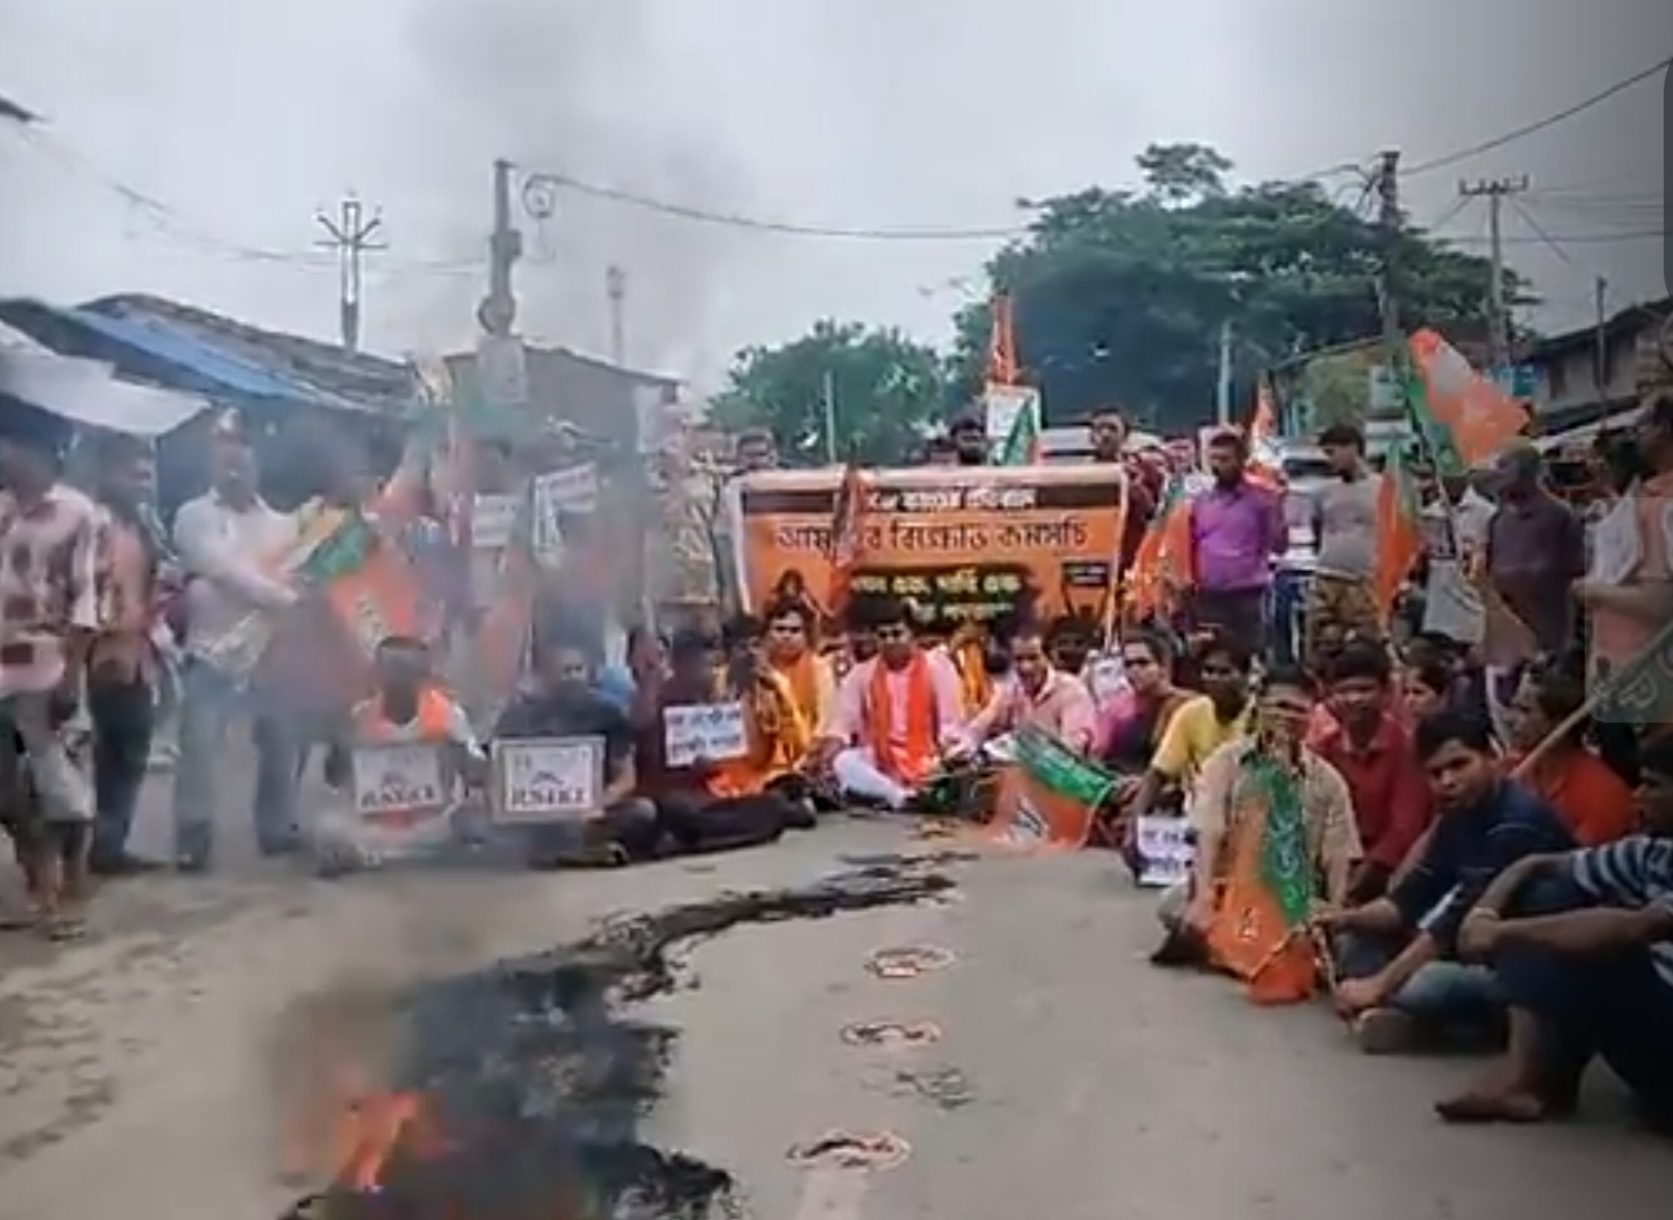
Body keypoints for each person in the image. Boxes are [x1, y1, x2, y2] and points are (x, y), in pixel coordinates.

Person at [1438, 737, 1673, 1127]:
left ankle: (1528, 1076)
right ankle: (1532, 1076)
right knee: (1548, 894)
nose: (1640, 794)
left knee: (1597, 942)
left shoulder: (1517, 812)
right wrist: (1485, 913)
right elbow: (1536, 865)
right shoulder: (1655, 851)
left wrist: (1504, 933)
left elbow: (1635, 927)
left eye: (1654, 785)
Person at [1326, 711, 1575, 1054]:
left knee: (1424, 986)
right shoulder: (1456, 815)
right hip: (1470, 950)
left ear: (1491, 754)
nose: (1447, 781)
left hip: (1527, 963)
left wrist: (1379, 984)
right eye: (1435, 773)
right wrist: (1339, 917)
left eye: (1459, 765)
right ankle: (1398, 1014)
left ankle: (1443, 1025)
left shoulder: (1517, 822)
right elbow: (1407, 901)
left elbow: (1452, 923)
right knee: (1355, 939)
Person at [1160, 664, 1360, 1002]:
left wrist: (1333, 916)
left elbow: (1338, 855)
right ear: (1261, 708)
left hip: (1295, 899)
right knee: (1173, 905)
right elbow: (1209, 832)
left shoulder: (1328, 781)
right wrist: (1205, 895)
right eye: (1280, 706)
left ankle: (1253, 950)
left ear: (1312, 716)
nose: (1288, 717)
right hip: (1233, 891)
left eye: (1299, 710)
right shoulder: (1226, 762)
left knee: (1335, 945)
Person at [170, 414, 303, 870]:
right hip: (210, 649)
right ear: (213, 467)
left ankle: (277, 829)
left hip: (270, 651)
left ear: (257, 469)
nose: (235, 472)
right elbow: (221, 569)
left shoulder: (286, 526)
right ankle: (193, 839)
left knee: (281, 742)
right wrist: (284, 600)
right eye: (226, 464)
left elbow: (299, 575)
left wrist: (286, 604)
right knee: (201, 747)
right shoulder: (192, 516)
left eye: (242, 464)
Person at [0, 406, 102, 939]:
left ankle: (71, 893)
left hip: (49, 664)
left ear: (40, 453)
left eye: (11, 445)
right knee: (5, 794)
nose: (3, 455)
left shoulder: (78, 514)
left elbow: (86, 599)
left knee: (62, 790)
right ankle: (39, 886)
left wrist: (71, 675)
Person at [312, 636, 486, 873]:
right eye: (391, 669)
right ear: (378, 674)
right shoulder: (359, 715)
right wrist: (339, 748)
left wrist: (458, 755)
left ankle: (371, 858)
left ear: (423, 674)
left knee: (473, 816)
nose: (397, 679)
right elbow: (333, 779)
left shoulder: (449, 715)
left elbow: (479, 771)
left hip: (434, 823)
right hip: (376, 827)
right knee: (328, 827)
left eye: (406, 670)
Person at [630, 628, 800, 855]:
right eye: (702, 666)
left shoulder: (719, 698)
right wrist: (690, 770)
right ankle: (707, 837)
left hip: (714, 797)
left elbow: (755, 755)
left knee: (773, 802)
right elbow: (650, 765)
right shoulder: (664, 697)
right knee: (677, 808)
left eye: (713, 666)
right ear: (681, 664)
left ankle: (711, 837)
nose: (709, 673)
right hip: (676, 796)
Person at [494, 632, 658, 866]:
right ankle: (575, 852)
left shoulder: (607, 713)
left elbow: (625, 777)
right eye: (563, 671)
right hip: (538, 820)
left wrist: (598, 803)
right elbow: (497, 776)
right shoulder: (520, 716)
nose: (571, 678)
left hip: (592, 815)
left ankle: (568, 851)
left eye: (576, 670)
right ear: (543, 677)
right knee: (470, 820)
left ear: (589, 673)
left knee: (643, 811)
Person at [84, 432, 169, 876]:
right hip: (99, 653)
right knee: (104, 752)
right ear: (104, 470)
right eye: (130, 471)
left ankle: (111, 844)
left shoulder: (140, 524)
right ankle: (96, 845)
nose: (140, 480)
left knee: (131, 750)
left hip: (139, 654)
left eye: (144, 472)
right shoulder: (93, 523)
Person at [1308, 642, 1433, 903]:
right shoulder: (1322, 751)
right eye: (1344, 690)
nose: (1354, 699)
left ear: (1387, 693)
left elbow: (1404, 830)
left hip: (1391, 878)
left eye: (1364, 689)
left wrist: (1349, 888)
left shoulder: (1407, 749)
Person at [817, 597, 966, 809]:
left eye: (897, 634)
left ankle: (905, 793)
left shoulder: (937, 667)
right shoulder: (862, 673)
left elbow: (950, 723)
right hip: (881, 760)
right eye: (883, 635)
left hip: (928, 756)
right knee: (844, 762)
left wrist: (945, 758)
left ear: (912, 635)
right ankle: (899, 797)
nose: (890, 641)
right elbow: (842, 725)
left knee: (960, 758)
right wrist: (826, 760)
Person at [1124, 635, 1254, 825]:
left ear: (1246, 676)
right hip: (1199, 814)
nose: (1214, 679)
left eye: (1224, 672)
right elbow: (1158, 773)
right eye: (1209, 671)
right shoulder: (1191, 713)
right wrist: (1135, 822)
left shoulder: (1260, 716)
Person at [1502, 662, 1635, 847]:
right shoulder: (1508, 769)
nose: (1509, 720)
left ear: (1560, 724)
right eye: (1512, 707)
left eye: (1525, 711)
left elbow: (1575, 866)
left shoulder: (1602, 794)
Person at [1186, 430, 1286, 657]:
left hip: (1247, 595)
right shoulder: (1201, 502)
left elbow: (1279, 545)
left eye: (1225, 459)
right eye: (1214, 459)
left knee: (1248, 655)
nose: (1217, 465)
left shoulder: (1262, 500)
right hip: (1208, 595)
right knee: (1211, 657)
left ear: (1241, 460)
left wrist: (1278, 509)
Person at [1485, 440, 1585, 659]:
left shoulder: (1559, 516)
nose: (1497, 474)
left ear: (1527, 470)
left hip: (1549, 631)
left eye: (1505, 466)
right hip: (1508, 635)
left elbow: (1576, 580)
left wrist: (1569, 640)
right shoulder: (1497, 520)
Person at [1305, 424, 1383, 651]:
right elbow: (1317, 530)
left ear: (1353, 449)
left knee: (1365, 644)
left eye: (1332, 453)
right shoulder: (1323, 492)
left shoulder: (1383, 488)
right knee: (1318, 644)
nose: (1329, 460)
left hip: (1364, 580)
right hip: (1326, 577)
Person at [963, 622, 1096, 754]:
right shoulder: (1013, 691)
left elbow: (1072, 748)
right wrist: (965, 744)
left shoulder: (1071, 691)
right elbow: (982, 724)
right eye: (1019, 659)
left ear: (1050, 656)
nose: (1026, 667)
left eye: (1033, 658)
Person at [1417, 468, 1496, 651]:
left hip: (1473, 601)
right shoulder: (1429, 513)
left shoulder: (1486, 513)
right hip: (1438, 603)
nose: (1449, 477)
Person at [1087, 406, 1158, 569]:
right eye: (1099, 429)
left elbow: (1156, 515)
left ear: (1125, 435)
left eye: (1112, 428)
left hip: (1134, 558)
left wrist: (1134, 487)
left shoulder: (1145, 470)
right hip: (1094, 558)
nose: (1105, 434)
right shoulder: (1080, 475)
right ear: (1091, 437)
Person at [761, 599, 836, 741]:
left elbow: (826, 721)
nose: (786, 636)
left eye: (794, 630)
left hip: (812, 751)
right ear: (767, 633)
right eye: (779, 629)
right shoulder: (756, 671)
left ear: (806, 636)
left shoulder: (819, 668)